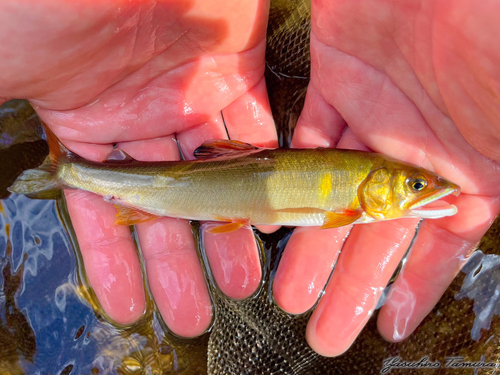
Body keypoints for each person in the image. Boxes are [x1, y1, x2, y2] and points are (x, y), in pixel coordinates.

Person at [1, 0, 499, 357]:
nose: (426, 190)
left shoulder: (360, 188)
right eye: (415, 185)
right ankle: (67, 170)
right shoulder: (351, 204)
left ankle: (68, 171)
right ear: (381, 183)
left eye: (416, 186)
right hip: (196, 182)